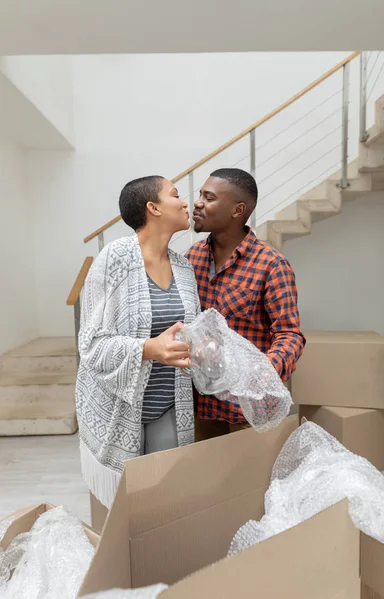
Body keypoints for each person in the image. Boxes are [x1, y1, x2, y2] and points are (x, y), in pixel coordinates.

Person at [76, 176, 200, 510]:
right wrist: (148, 348)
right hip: (119, 406)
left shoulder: (185, 269)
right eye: (175, 195)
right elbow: (91, 344)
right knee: (127, 511)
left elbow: (187, 334)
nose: (185, 202)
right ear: (153, 207)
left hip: (169, 404)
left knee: (163, 504)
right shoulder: (114, 259)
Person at [186, 168, 305, 441]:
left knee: (249, 484)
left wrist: (259, 376)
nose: (198, 203)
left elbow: (290, 336)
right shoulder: (191, 259)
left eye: (209, 197)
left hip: (247, 412)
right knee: (203, 482)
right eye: (200, 195)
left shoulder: (271, 265)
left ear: (237, 210)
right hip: (200, 407)